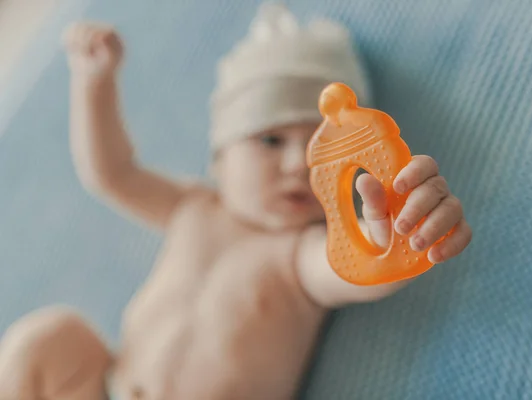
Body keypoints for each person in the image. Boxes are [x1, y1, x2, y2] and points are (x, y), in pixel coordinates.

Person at [0, 3, 471, 399]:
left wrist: (400, 225)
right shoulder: (193, 207)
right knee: (50, 338)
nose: (297, 165)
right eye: (269, 141)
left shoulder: (302, 255)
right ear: (220, 160)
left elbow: (357, 267)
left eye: (318, 150)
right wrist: (93, 84)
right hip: (110, 386)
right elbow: (110, 173)